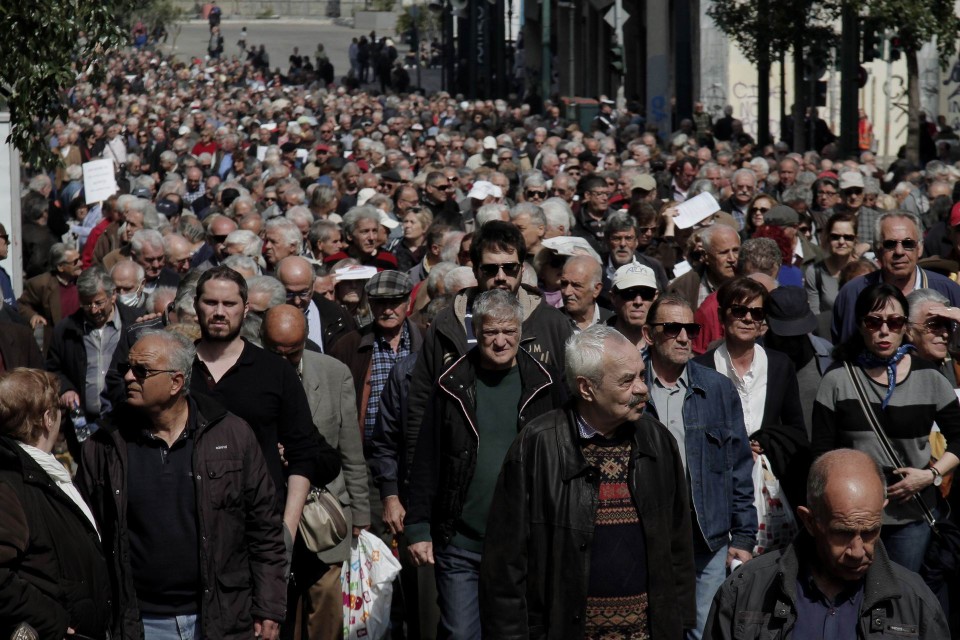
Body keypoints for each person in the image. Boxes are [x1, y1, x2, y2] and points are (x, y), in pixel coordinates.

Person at [479, 325, 696, 638]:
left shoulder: (658, 441)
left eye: (641, 375)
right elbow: (505, 566)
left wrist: (680, 625)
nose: (642, 389)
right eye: (627, 380)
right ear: (586, 388)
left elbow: (677, 544)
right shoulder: (538, 446)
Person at [77, 330, 287, 640]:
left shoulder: (231, 435)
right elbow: (83, 536)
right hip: (141, 621)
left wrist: (269, 606)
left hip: (223, 616)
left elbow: (265, 528)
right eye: (127, 368)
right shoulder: (105, 445)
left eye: (143, 371)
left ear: (176, 382)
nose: (129, 377)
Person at [405, 289, 566, 639]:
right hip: (461, 540)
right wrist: (418, 527)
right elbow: (427, 458)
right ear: (475, 331)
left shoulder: (547, 382)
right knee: (461, 633)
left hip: (525, 541)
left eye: (509, 331)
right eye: (491, 332)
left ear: (521, 330)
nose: (500, 341)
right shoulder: (451, 384)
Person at [705, 449, 949, 639]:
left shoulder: (915, 601)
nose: (857, 551)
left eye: (870, 532)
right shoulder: (747, 590)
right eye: (842, 533)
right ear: (809, 521)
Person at [189, 266, 340, 551]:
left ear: (245, 309)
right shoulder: (179, 368)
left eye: (229, 304)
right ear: (196, 305)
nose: (219, 312)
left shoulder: (274, 372)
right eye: (211, 302)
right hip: (188, 527)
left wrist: (287, 531)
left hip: (259, 528)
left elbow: (303, 452)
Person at [813, 283, 960, 573]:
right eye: (874, 321)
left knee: (900, 600)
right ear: (860, 325)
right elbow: (821, 454)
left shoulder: (929, 377)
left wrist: (930, 475)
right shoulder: (837, 379)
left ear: (905, 327)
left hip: (912, 515)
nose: (884, 330)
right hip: (854, 520)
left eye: (894, 322)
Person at [642, 293, 757, 639]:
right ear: (649, 334)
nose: (682, 337)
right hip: (649, 537)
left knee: (704, 629)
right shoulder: (632, 388)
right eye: (672, 328)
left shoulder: (717, 389)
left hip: (707, 538)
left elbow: (738, 467)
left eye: (689, 328)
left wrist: (744, 535)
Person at [260, 305, 369, 640]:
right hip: (272, 512)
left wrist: (360, 514)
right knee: (279, 610)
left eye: (291, 354)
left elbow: (350, 447)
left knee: (324, 608)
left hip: (325, 515)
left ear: (305, 341)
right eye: (274, 352)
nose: (282, 361)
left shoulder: (334, 373)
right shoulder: (250, 374)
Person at [0, 368, 111, 640]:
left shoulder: (40, 469)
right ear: (48, 418)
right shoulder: (9, 482)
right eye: (57, 408)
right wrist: (54, 621)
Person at [693, 277, 809, 509]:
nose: (748, 318)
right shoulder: (700, 369)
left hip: (770, 490)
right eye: (739, 310)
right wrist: (736, 447)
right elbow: (695, 435)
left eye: (756, 313)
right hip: (718, 490)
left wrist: (766, 442)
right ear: (721, 315)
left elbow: (796, 432)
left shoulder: (779, 366)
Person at [46, 267, 141, 457]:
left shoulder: (135, 323)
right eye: (87, 304)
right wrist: (66, 389)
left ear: (113, 295)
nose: (94, 310)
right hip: (85, 423)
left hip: (128, 421)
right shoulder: (66, 330)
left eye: (99, 302)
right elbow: (52, 368)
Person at [832, 212, 960, 343]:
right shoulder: (853, 293)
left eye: (908, 243)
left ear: (920, 248)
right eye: (890, 244)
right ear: (877, 250)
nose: (899, 251)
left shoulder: (948, 290)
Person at [669, 223, 742, 310]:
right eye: (723, 253)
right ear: (705, 255)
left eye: (736, 250)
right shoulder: (683, 288)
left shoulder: (752, 281)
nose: (732, 258)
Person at [806, 212, 858, 314]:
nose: (841, 241)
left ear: (855, 239)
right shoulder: (815, 272)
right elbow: (814, 315)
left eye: (848, 237)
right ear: (828, 238)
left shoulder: (868, 270)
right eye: (835, 236)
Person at [906, 288, 960, 386]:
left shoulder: (957, 367)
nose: (945, 334)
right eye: (934, 325)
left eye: (948, 326)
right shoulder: (894, 371)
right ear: (909, 331)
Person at [606, 260, 659, 348]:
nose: (638, 302)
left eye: (647, 293)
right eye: (629, 293)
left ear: (655, 297)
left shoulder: (664, 344)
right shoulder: (595, 345)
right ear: (613, 297)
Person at [559, 254, 610, 331]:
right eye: (564, 283)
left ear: (596, 289)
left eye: (576, 285)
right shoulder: (549, 322)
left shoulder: (613, 322)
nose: (567, 292)